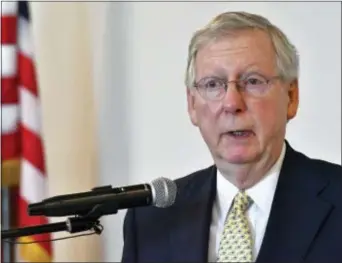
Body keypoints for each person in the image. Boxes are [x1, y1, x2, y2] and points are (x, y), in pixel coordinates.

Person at [121, 11, 342, 263]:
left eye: (253, 81)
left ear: (291, 97)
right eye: (213, 84)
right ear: (192, 105)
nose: (232, 103)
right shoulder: (151, 220)